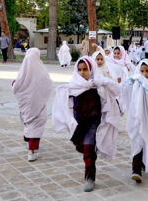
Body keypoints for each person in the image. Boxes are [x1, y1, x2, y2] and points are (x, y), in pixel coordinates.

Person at [52, 57, 122, 192]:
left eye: (85, 69)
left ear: (90, 70)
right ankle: (90, 151)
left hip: (93, 123)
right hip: (79, 124)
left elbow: (114, 90)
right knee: (83, 147)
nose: (82, 72)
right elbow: (66, 99)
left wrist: (101, 82)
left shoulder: (97, 86)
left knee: (88, 149)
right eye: (79, 69)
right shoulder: (74, 85)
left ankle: (89, 177)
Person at [12, 48, 52, 161]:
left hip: (26, 105)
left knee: (28, 123)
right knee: (37, 124)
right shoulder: (42, 71)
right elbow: (48, 84)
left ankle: (28, 141)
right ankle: (32, 151)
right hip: (38, 105)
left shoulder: (23, 70)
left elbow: (16, 85)